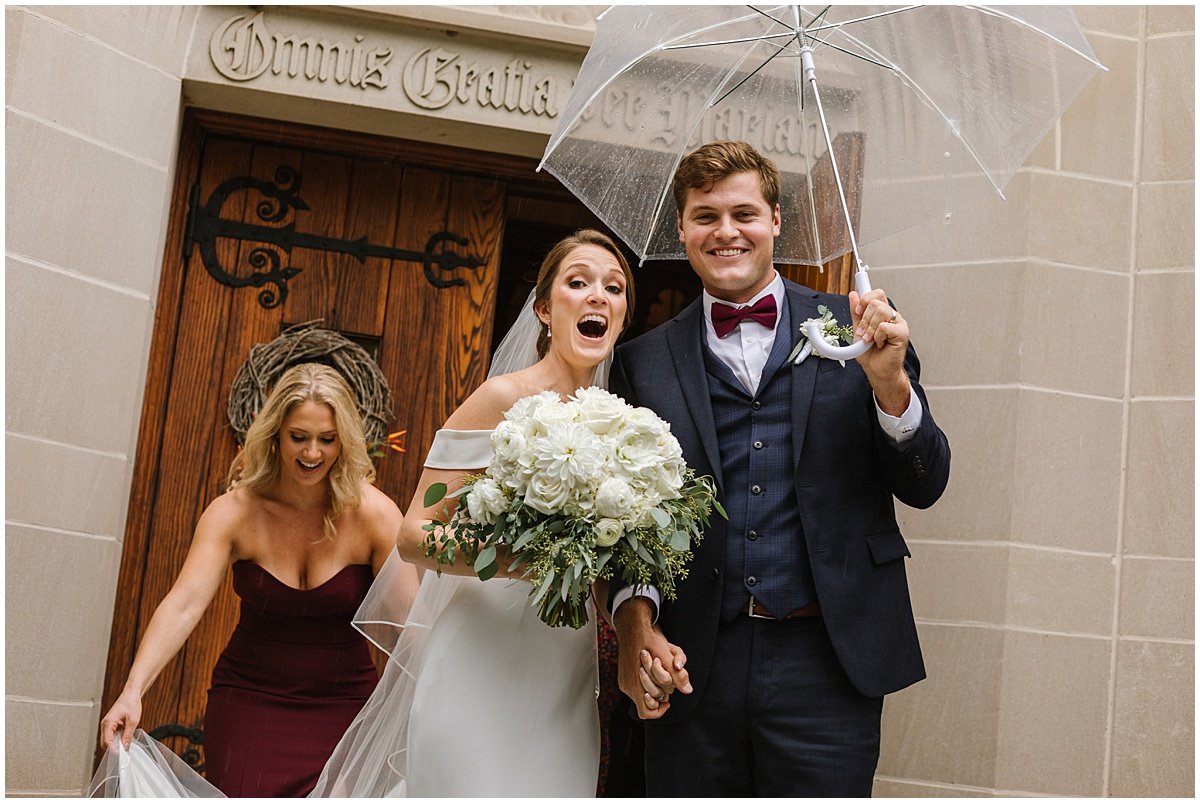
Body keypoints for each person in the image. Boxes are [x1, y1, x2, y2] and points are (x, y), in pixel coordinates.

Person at [607, 140, 952, 796]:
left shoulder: (857, 331)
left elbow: (926, 482)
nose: (726, 230)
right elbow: (626, 526)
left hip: (827, 660)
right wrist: (634, 620)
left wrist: (889, 387)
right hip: (692, 664)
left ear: (775, 222)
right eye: (706, 216)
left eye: (744, 212)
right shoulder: (643, 361)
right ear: (682, 228)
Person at [311, 229, 636, 797]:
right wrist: (526, 561)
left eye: (613, 287)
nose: (597, 296)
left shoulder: (621, 426)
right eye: (577, 282)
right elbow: (414, 535)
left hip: (563, 664)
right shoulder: (501, 399)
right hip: (478, 654)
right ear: (542, 308)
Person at [99, 363, 416, 797]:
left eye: (327, 439)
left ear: (345, 440)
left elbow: (410, 632)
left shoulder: (374, 516)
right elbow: (184, 603)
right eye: (298, 437)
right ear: (274, 434)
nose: (312, 453)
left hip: (344, 709)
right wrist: (132, 691)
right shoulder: (234, 512)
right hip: (248, 700)